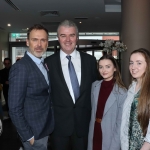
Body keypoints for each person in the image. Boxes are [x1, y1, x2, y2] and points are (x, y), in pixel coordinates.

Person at [44, 20, 97, 150]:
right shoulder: (47, 63)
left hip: (83, 125)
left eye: (72, 35)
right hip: (58, 127)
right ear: (58, 38)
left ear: (77, 38)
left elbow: (95, 90)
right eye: (63, 35)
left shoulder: (90, 61)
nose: (68, 40)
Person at [8, 24, 54, 150]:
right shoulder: (21, 67)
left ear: (47, 43)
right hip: (33, 133)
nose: (39, 44)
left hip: (44, 128)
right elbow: (14, 108)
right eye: (35, 40)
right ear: (27, 42)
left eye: (43, 40)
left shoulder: (43, 64)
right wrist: (28, 136)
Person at [87, 55, 127, 150]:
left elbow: (120, 124)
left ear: (115, 68)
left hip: (110, 134)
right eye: (101, 67)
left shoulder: (122, 92)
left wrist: (115, 146)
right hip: (94, 131)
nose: (104, 70)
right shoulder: (94, 86)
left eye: (108, 66)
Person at [121, 48, 150, 150]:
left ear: (148, 65)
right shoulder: (131, 87)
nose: (133, 67)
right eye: (131, 63)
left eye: (139, 63)